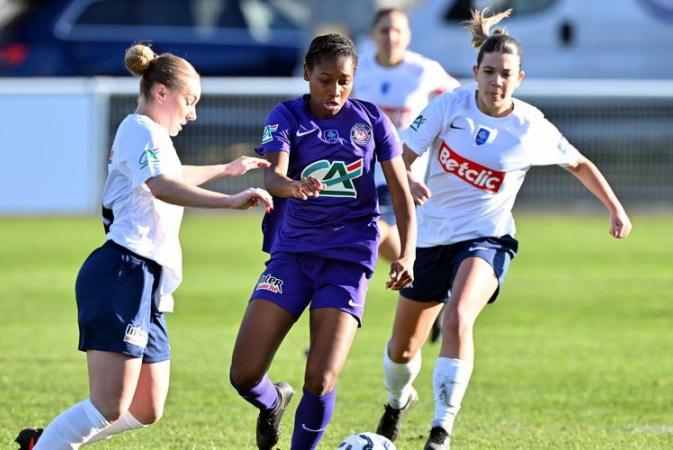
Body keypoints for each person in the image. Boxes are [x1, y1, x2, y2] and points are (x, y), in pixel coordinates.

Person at [374, 9, 633, 450]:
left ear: (520, 78)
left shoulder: (530, 125)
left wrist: (615, 209)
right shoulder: (450, 105)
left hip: (486, 238)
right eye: (489, 72)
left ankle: (441, 429)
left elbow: (580, 164)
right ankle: (397, 403)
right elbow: (401, 154)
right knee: (401, 350)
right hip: (431, 240)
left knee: (459, 317)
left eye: (506, 74)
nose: (496, 81)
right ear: (475, 72)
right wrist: (410, 177)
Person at [14, 43, 273, 450]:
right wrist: (229, 200)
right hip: (123, 272)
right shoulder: (138, 128)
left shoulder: (152, 138)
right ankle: (50, 445)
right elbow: (162, 184)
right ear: (161, 92)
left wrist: (227, 169)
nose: (193, 114)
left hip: (147, 280)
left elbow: (172, 173)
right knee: (108, 406)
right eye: (190, 102)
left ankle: (48, 441)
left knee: (147, 407)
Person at [228, 33, 417, 450]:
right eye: (325, 80)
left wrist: (407, 253)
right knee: (243, 374)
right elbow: (272, 177)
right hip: (293, 256)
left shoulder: (371, 121)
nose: (334, 91)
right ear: (307, 74)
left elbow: (401, 192)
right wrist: (293, 186)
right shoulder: (287, 116)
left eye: (344, 81)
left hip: (347, 261)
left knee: (321, 377)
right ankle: (273, 400)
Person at [353, 8, 460, 344]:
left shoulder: (424, 70)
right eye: (385, 30)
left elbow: (459, 104)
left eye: (398, 30)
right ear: (373, 34)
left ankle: (339, 314)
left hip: (403, 178)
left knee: (373, 235)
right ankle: (426, 287)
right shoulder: (359, 70)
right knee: (370, 239)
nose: (391, 37)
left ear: (408, 35)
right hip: (359, 175)